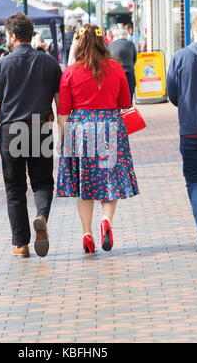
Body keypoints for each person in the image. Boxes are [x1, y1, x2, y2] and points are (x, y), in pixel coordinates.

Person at [0, 13, 62, 259]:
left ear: (13, 36)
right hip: (40, 126)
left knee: (15, 189)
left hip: (11, 129)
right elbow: (61, 103)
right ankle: (41, 215)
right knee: (42, 181)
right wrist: (62, 132)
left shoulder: (0, 65)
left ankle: (21, 243)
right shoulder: (49, 63)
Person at [57, 24, 139, 254]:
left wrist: (65, 141)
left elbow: (64, 109)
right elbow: (125, 102)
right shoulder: (116, 68)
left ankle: (86, 233)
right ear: (104, 42)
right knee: (109, 178)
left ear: (79, 44)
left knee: (85, 184)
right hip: (110, 125)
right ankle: (106, 220)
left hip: (80, 128)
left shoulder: (70, 71)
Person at [167, 12, 197, 253]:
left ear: (194, 32)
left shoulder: (181, 57)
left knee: (195, 179)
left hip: (193, 128)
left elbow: (172, 94)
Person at [108, 29, 137, 102]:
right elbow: (134, 58)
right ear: (126, 35)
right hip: (128, 70)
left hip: (114, 71)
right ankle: (129, 107)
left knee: (116, 91)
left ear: (118, 36)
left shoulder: (111, 44)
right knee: (130, 91)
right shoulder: (130, 44)